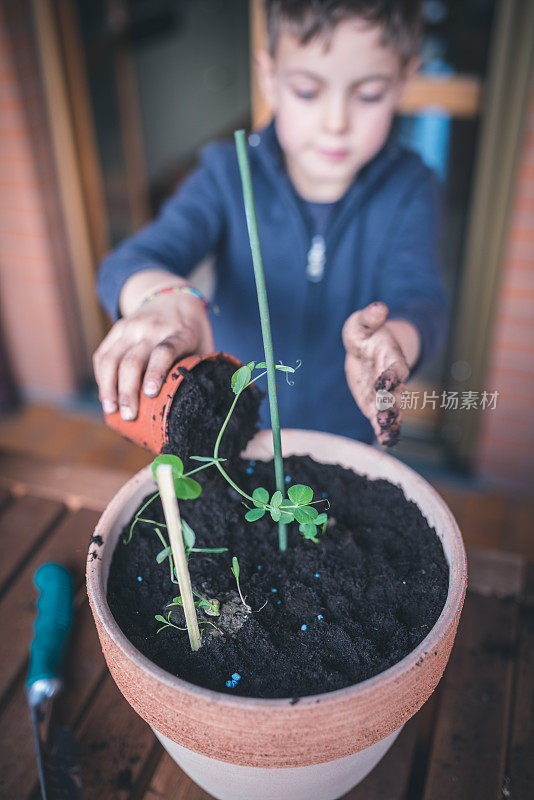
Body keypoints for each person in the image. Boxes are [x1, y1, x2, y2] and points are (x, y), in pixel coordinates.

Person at [94, 0, 448, 447]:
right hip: (234, 431)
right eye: (307, 90)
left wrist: (392, 341)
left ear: (404, 82)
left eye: (368, 94)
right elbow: (132, 259)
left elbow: (422, 300)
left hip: (345, 435)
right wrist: (166, 297)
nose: (336, 122)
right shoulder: (226, 173)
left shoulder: (411, 188)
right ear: (269, 77)